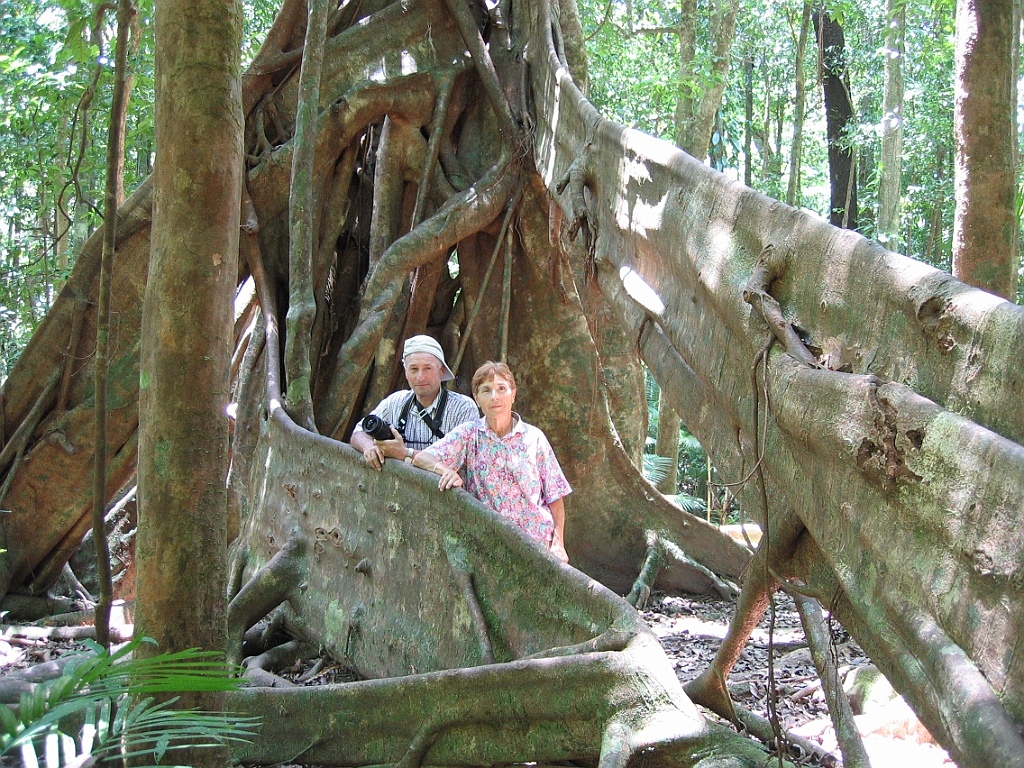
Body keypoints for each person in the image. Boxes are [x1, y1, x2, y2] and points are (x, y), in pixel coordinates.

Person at [412, 361, 571, 563]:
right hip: (489, 547)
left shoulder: (534, 437)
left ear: (513, 394)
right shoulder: (469, 434)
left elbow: (555, 495)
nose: (495, 397)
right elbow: (421, 458)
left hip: (538, 545)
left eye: (501, 389)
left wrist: (558, 544)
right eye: (486, 390)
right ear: (477, 399)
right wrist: (444, 470)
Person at [350, 335, 479, 470]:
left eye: (427, 368)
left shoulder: (463, 408)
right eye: (414, 369)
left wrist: (404, 453)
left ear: (441, 372)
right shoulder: (396, 402)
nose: (420, 377)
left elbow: (459, 462)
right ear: (406, 372)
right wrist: (368, 447)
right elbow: (358, 432)